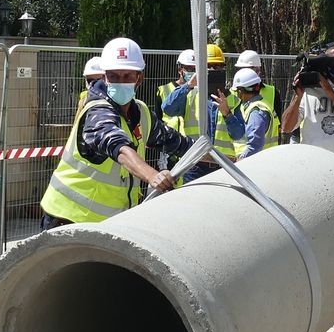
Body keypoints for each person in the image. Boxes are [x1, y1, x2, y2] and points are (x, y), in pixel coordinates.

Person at [40, 38, 191, 228]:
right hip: (67, 219)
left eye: (127, 76)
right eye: (113, 76)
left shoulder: (142, 113)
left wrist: (218, 158)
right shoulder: (97, 111)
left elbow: (179, 143)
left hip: (108, 224)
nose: (120, 82)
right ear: (104, 77)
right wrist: (153, 176)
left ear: (139, 79)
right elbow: (118, 147)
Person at [159, 43, 243, 175]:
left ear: (224, 69)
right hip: (194, 166)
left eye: (217, 66)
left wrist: (227, 113)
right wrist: (188, 85)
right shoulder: (190, 95)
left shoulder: (233, 100)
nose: (213, 71)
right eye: (208, 67)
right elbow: (168, 108)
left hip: (223, 167)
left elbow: (239, 134)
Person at [279, 38, 334, 159]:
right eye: (332, 61)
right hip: (312, 164)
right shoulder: (309, 93)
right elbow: (286, 127)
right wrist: (298, 96)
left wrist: (329, 91)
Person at [233, 67, 274, 159]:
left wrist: (242, 160)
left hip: (254, 163)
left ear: (241, 91)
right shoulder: (262, 104)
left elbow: (255, 144)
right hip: (262, 160)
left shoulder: (256, 111)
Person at [234, 49, 280, 126]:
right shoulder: (230, 93)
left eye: (247, 69)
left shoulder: (272, 92)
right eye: (241, 69)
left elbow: (278, 125)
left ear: (258, 70)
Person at [157, 49, 197, 135]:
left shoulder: (201, 91)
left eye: (195, 69)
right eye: (189, 68)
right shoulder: (163, 90)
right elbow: (158, 119)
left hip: (192, 140)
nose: (193, 72)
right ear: (180, 69)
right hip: (170, 141)